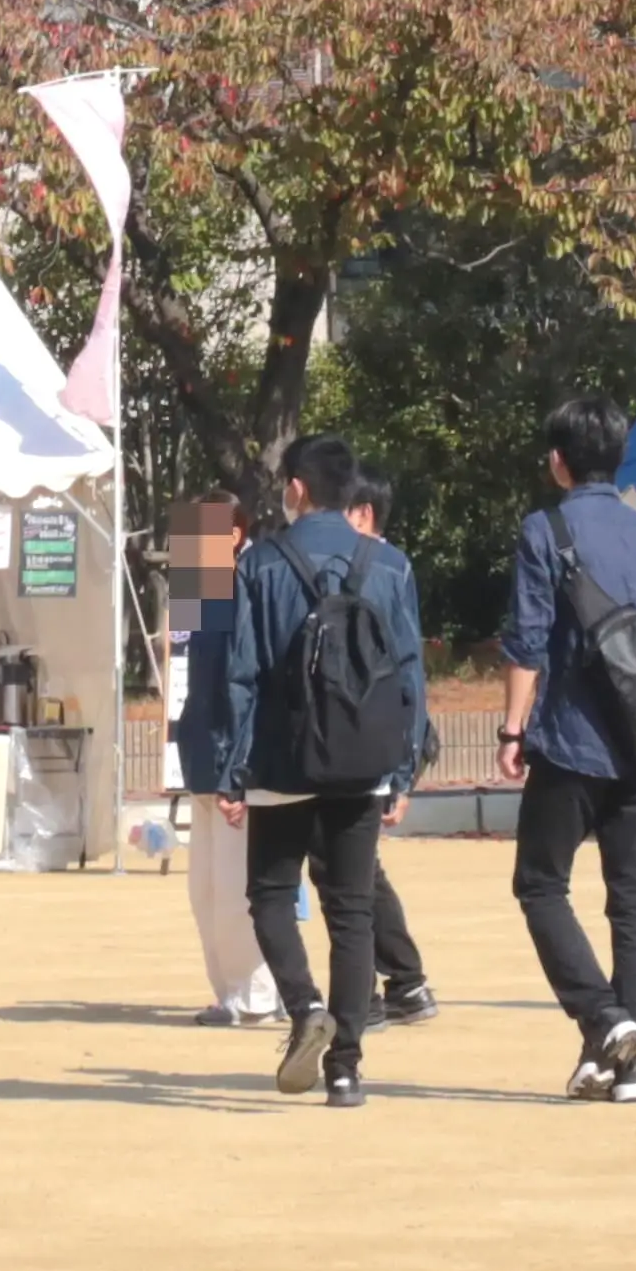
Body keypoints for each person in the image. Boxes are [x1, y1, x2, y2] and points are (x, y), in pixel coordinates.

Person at [224, 432, 420, 1109]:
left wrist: (232, 767)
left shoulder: (260, 563)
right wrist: (405, 769)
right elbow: (411, 674)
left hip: (284, 756)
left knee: (271, 895)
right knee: (353, 910)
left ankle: (305, 1004)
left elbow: (242, 672)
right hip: (363, 759)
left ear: (298, 489)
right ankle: (346, 1067)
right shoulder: (389, 564)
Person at [493, 398, 636, 1101]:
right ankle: (629, 1066)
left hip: (570, 741)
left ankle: (603, 1020)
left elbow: (527, 642)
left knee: (540, 884)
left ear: (558, 461)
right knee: (633, 901)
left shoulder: (545, 530)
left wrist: (514, 731)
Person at [162, 501, 273, 1021]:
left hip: (234, 762)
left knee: (234, 890)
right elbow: (177, 656)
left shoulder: (251, 581)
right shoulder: (204, 587)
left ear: (233, 534)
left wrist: (239, 768)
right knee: (204, 891)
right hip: (202, 756)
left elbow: (245, 683)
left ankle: (258, 994)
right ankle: (229, 991)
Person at [337, 477, 435, 1018]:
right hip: (369, 736)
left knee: (352, 870)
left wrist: (405, 767)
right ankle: (399, 982)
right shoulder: (393, 566)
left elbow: (408, 667)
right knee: (354, 866)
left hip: (359, 737)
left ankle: (393, 984)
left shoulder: (387, 566)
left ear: (365, 513)